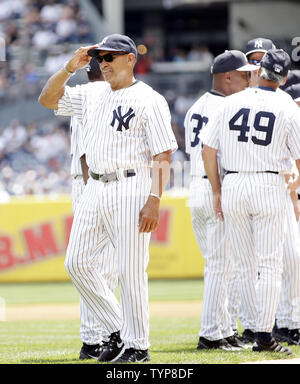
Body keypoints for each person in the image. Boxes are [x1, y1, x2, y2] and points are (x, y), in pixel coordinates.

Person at [38, 33, 178, 363]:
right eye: (101, 58)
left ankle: (138, 346)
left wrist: (154, 198)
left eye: (111, 57)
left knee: (130, 272)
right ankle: (117, 328)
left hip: (131, 185)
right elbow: (47, 99)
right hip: (94, 187)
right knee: (76, 262)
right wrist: (68, 67)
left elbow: (163, 153)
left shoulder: (148, 98)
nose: (104, 63)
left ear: (131, 59)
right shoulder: (91, 93)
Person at [201, 48, 300, 355]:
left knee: (244, 265)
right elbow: (298, 157)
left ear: (259, 72)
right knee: (270, 264)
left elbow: (208, 149)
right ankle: (265, 336)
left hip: (232, 182)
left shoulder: (231, 102)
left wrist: (217, 190)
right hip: (269, 182)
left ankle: (254, 329)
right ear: (282, 78)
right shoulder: (287, 106)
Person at [184, 50, 257, 350]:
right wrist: (219, 191)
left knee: (220, 264)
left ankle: (224, 329)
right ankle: (211, 333)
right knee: (219, 265)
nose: (248, 79)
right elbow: (215, 152)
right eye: (243, 75)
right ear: (227, 76)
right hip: (215, 186)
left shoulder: (196, 106)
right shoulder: (228, 107)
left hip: (196, 187)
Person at [245, 38, 300, 347]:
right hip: (267, 187)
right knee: (270, 262)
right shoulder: (273, 102)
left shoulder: (284, 100)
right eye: (252, 59)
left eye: (260, 59)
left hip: (272, 186)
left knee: (283, 262)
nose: (256, 64)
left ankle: (283, 324)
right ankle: (269, 325)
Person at [68, 58, 118, 360]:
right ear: (104, 70)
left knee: (88, 265)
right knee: (104, 266)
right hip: (93, 182)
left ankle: (92, 338)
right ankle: (101, 335)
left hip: (82, 181)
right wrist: (92, 191)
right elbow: (89, 152)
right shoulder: (101, 95)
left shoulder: (83, 94)